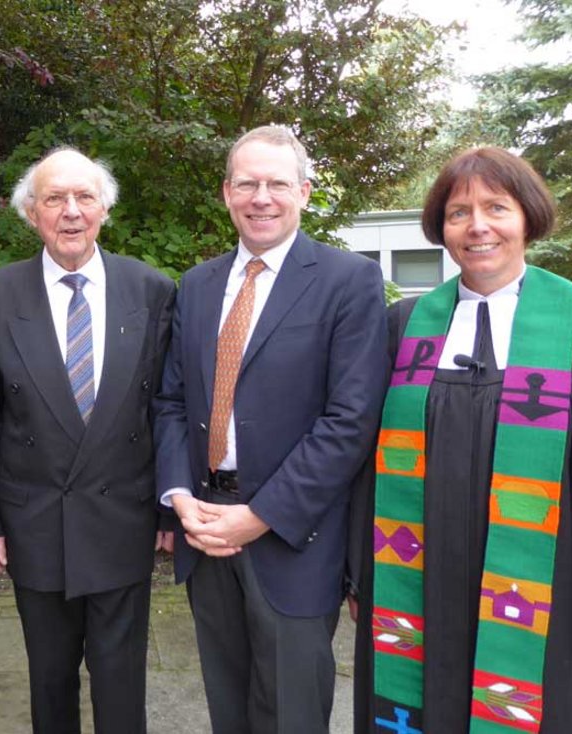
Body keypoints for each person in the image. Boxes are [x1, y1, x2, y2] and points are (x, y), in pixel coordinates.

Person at [351, 147, 572, 733]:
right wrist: (361, 574)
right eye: (458, 213)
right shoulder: (404, 326)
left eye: (496, 207)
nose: (477, 226)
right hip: (421, 581)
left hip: (549, 595)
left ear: (527, 216)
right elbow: (367, 463)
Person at [153, 124, 389, 733]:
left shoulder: (348, 280)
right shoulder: (197, 285)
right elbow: (172, 400)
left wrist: (260, 515)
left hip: (293, 541)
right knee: (228, 710)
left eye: (277, 184)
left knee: (290, 717)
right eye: (247, 183)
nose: (261, 197)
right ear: (227, 192)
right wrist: (179, 498)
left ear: (304, 192)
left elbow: (350, 420)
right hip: (207, 534)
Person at [0, 147, 176, 734]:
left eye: (85, 197)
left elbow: (166, 407)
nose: (71, 211)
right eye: (54, 198)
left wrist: (169, 508)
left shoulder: (152, 290)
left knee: (122, 686)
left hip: (124, 518)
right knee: (49, 684)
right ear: (30, 213)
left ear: (104, 209)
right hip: (34, 523)